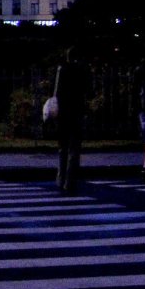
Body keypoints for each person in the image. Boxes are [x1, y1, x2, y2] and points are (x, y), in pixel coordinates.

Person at [54, 56, 90, 193]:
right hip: (76, 111)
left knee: (62, 147)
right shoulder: (82, 70)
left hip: (63, 112)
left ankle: (60, 177)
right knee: (74, 148)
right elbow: (87, 89)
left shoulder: (62, 69)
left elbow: (56, 92)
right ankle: (70, 181)